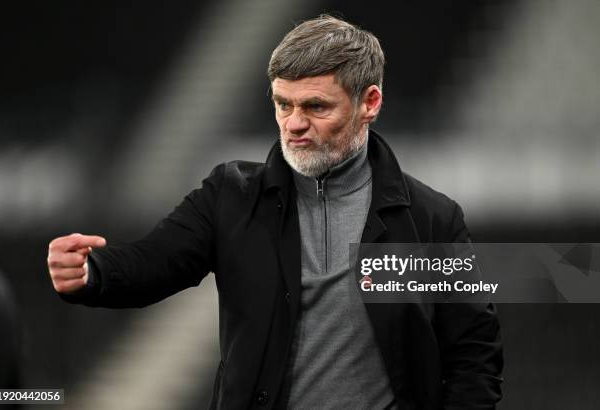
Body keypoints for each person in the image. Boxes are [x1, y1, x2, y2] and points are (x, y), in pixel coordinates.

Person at [47, 15, 503, 410]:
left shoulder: (433, 219)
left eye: (315, 106)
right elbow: (154, 262)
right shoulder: (230, 194)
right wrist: (93, 272)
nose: (294, 124)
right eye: (283, 105)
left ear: (370, 103)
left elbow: (475, 354)